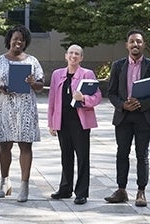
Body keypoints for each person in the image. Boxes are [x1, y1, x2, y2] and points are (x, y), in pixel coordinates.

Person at [0, 24, 44, 202]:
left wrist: (33, 82)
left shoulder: (32, 61)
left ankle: (24, 186)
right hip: (6, 108)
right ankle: (4, 182)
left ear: (25, 43)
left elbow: (40, 87)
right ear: (9, 40)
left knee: (26, 146)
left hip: (26, 109)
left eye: (22, 39)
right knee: (5, 146)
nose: (18, 41)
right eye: (15, 38)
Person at [104, 29, 150, 207]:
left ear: (143, 44)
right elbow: (111, 93)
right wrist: (122, 104)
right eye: (132, 41)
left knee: (141, 154)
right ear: (127, 45)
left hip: (144, 116)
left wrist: (141, 104)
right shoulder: (118, 66)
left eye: (138, 41)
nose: (135, 44)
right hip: (123, 116)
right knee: (122, 153)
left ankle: (141, 191)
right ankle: (121, 190)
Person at [47, 45, 101, 205]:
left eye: (77, 54)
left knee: (82, 156)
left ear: (81, 58)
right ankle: (65, 188)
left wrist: (83, 98)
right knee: (66, 155)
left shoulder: (87, 74)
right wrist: (51, 122)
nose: (73, 56)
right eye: (71, 53)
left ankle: (81, 192)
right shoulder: (57, 74)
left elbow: (97, 96)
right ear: (66, 56)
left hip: (80, 122)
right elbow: (52, 99)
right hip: (62, 121)